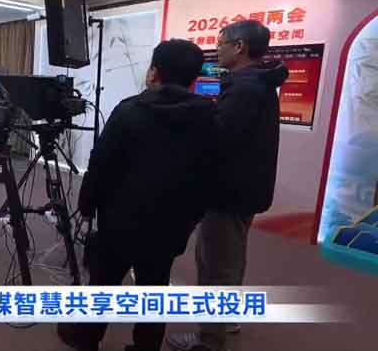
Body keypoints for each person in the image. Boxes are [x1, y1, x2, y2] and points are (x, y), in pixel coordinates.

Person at [57, 39, 218, 351]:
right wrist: (192, 218)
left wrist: (87, 205)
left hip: (120, 222)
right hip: (172, 225)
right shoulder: (209, 116)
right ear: (194, 77)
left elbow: (101, 164)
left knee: (103, 285)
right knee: (155, 288)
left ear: (154, 72)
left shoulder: (129, 110)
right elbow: (211, 173)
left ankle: (86, 339)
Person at [167, 20, 288, 351]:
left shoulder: (245, 89)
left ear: (239, 47)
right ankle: (228, 318)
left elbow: (219, 139)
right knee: (232, 257)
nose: (216, 50)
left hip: (228, 192)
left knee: (216, 265)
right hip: (246, 189)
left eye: (220, 43)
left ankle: (209, 339)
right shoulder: (258, 81)